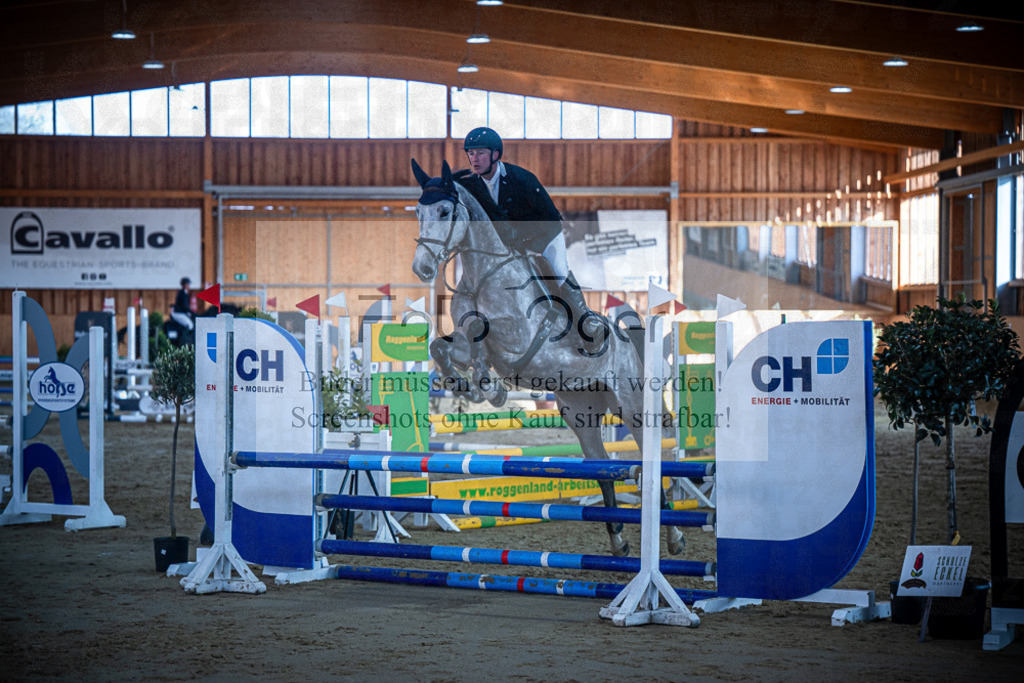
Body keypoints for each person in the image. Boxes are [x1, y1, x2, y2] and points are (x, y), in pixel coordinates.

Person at [453, 126, 603, 346]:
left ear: (495, 154)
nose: (474, 159)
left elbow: (547, 217)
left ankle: (585, 319)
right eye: (471, 153)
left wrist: (519, 236)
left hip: (543, 235)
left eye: (481, 153)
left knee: (559, 271)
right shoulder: (471, 185)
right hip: (505, 242)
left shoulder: (522, 179)